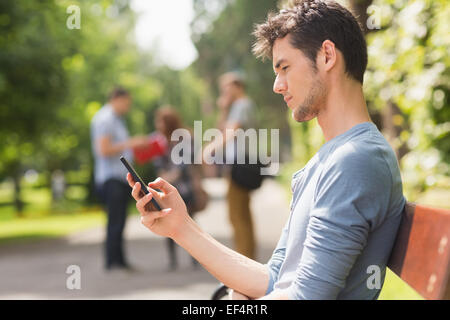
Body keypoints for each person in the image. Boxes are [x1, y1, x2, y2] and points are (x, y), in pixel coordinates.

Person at [126, 0, 406, 299]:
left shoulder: (355, 161)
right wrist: (180, 226)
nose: (277, 85)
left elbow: (304, 298)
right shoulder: (328, 160)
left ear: (326, 55)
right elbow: (276, 279)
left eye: (284, 67)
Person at [202, 72, 260, 260]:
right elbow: (224, 128)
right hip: (241, 164)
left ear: (238, 86)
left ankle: (245, 260)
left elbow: (230, 132)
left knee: (236, 215)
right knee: (242, 212)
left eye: (227, 87)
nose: (224, 92)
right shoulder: (240, 106)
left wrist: (209, 149)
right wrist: (224, 109)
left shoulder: (242, 105)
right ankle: (248, 257)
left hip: (241, 165)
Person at [91, 87, 148, 271]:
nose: (128, 107)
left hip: (120, 178)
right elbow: (104, 150)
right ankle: (112, 262)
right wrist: (131, 143)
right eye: (126, 102)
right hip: (111, 178)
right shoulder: (105, 119)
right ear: (117, 99)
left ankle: (120, 260)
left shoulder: (117, 120)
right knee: (114, 221)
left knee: (121, 220)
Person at [152, 106, 206, 270]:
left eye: (161, 121)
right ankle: (173, 260)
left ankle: (196, 257)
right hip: (167, 185)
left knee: (189, 221)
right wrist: (163, 178)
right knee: (168, 219)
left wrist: (168, 177)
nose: (158, 125)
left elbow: (185, 163)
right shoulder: (158, 141)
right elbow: (158, 162)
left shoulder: (184, 137)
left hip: (184, 186)